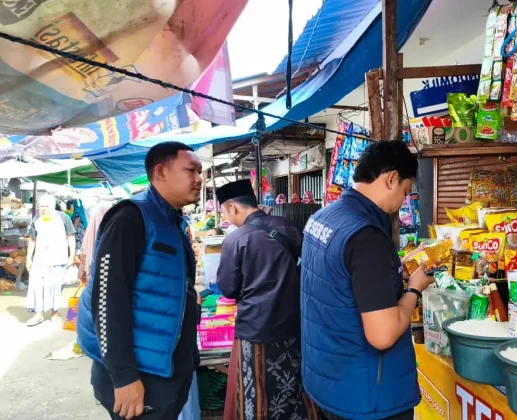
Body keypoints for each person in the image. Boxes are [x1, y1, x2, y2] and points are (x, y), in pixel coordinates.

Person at [300, 140, 433, 420]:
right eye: (405, 191)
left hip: (328, 380)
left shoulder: (324, 217)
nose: (403, 201)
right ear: (392, 178)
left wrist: (396, 270)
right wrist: (414, 289)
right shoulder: (367, 236)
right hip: (366, 396)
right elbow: (382, 335)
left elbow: (343, 282)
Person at [76, 141, 203, 420]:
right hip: (140, 376)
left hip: (165, 366)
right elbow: (107, 300)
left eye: (200, 172)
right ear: (161, 172)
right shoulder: (130, 217)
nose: (199, 179)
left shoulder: (171, 220)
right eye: (191, 170)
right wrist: (123, 377)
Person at [215, 180, 316, 420]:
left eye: (224, 212)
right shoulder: (288, 226)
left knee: (256, 391)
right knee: (293, 386)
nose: (226, 218)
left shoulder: (235, 240)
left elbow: (228, 289)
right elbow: (309, 267)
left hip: (256, 330)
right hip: (294, 325)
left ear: (233, 207)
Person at [25, 194, 76, 327]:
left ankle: (54, 314)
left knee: (56, 287)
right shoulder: (36, 218)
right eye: (41, 206)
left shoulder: (63, 217)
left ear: (53, 206)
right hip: (40, 259)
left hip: (58, 259)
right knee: (37, 286)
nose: (43, 209)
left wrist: (72, 256)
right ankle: (38, 314)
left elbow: (71, 237)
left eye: (46, 206)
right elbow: (32, 239)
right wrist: (28, 259)